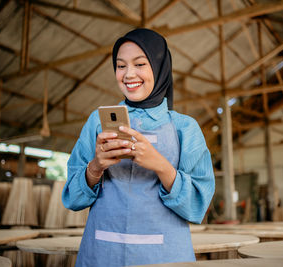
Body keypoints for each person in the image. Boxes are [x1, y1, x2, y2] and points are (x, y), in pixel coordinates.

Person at [62, 28, 215, 267]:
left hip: (165, 257)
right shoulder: (97, 121)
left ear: (159, 66)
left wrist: (161, 166)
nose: (128, 74)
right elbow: (72, 197)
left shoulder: (185, 128)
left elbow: (198, 205)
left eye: (140, 64)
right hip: (103, 253)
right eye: (120, 66)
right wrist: (95, 167)